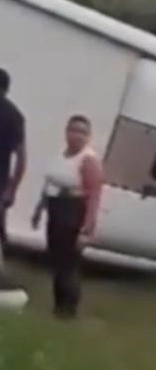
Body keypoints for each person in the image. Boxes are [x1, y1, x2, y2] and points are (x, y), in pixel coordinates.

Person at [31, 115, 103, 319]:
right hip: (56, 207)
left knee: (68, 262)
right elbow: (50, 184)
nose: (77, 136)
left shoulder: (88, 160)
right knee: (56, 259)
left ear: (88, 136)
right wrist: (39, 209)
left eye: (83, 132)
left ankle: (68, 309)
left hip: (73, 210)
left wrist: (87, 228)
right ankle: (58, 305)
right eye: (74, 130)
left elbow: (94, 195)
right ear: (66, 132)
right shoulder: (61, 156)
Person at [0, 68, 27, 260]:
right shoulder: (16, 116)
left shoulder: (12, 116)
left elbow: (21, 156)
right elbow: (22, 157)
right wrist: (12, 188)